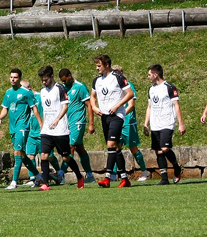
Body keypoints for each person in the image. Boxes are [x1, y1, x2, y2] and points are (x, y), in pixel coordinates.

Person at [34, 65, 84, 190]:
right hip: (47, 130)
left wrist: (57, 120)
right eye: (42, 80)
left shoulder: (60, 89)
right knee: (44, 155)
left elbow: (65, 106)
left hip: (60, 129)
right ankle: (45, 184)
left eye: (46, 79)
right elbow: (45, 110)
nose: (44, 82)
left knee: (66, 157)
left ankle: (79, 176)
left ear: (52, 76)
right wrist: (43, 125)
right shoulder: (43, 91)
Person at [89, 55, 133, 188]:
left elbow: (129, 93)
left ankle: (107, 178)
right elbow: (92, 96)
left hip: (117, 115)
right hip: (105, 116)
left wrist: (117, 106)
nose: (97, 68)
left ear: (107, 64)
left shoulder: (117, 77)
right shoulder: (97, 80)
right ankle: (125, 179)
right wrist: (95, 107)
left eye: (99, 65)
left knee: (110, 144)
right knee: (116, 147)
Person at [143, 64, 185, 185]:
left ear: (156, 75)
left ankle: (177, 167)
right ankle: (164, 178)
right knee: (158, 151)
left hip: (167, 122)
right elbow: (149, 107)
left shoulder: (169, 87)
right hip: (155, 124)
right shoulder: (151, 89)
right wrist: (146, 124)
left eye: (149, 74)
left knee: (165, 148)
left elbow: (176, 105)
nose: (148, 77)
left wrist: (181, 124)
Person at [0, 69, 38, 190]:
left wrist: (40, 123)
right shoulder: (8, 93)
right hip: (13, 127)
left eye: (15, 77)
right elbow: (5, 108)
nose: (12, 79)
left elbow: (34, 108)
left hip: (23, 127)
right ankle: (38, 175)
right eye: (11, 77)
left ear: (20, 78)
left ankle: (14, 182)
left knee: (17, 152)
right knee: (23, 155)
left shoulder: (26, 92)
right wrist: (0, 118)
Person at [111, 66, 149, 181]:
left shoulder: (128, 85)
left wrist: (120, 115)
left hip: (128, 122)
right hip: (118, 122)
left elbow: (131, 105)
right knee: (115, 147)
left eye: (117, 73)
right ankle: (113, 175)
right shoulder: (113, 87)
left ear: (122, 73)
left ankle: (144, 172)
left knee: (133, 148)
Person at [60, 68, 96, 184]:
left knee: (70, 147)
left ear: (70, 76)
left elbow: (89, 105)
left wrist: (91, 124)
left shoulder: (80, 87)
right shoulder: (64, 88)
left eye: (65, 80)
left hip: (78, 122)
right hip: (67, 123)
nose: (64, 83)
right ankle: (90, 175)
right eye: (62, 81)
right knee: (80, 148)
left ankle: (61, 174)